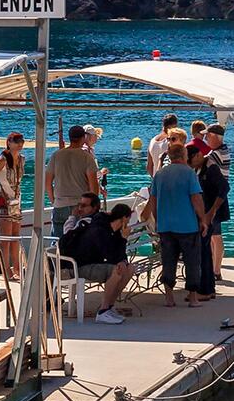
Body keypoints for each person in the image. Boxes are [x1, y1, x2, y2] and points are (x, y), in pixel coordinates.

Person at [145, 141, 208, 306]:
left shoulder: (160, 174)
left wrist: (158, 220)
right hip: (187, 225)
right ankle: (193, 296)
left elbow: (153, 200)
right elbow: (196, 198)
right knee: (192, 261)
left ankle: (169, 296)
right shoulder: (189, 173)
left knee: (168, 261)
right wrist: (203, 219)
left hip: (166, 225)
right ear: (184, 156)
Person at [58, 195, 136, 324]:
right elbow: (109, 255)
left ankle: (109, 306)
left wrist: (123, 261)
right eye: (127, 220)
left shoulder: (113, 230)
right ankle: (103, 311)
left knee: (129, 268)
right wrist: (124, 239)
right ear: (123, 219)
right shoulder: (99, 230)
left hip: (92, 263)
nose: (128, 224)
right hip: (79, 266)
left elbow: (117, 254)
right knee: (115, 271)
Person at [0, 131, 26, 279]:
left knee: (15, 235)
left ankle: (17, 269)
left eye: (21, 141)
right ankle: (5, 269)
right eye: (16, 141)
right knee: (6, 237)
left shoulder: (21, 159)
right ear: (9, 142)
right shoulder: (3, 159)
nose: (20, 144)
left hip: (16, 199)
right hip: (4, 199)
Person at [194, 149, 229, 297]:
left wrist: (212, 212)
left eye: (190, 160)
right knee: (206, 250)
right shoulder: (198, 168)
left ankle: (206, 288)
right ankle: (209, 288)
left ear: (197, 155)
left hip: (210, 214)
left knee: (204, 250)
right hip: (204, 214)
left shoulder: (211, 168)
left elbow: (225, 188)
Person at [47, 124, 102, 211]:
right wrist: (93, 206)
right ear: (83, 137)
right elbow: (93, 185)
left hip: (60, 205)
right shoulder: (87, 157)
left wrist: (53, 201)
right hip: (80, 205)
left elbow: (47, 182)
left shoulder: (56, 155)